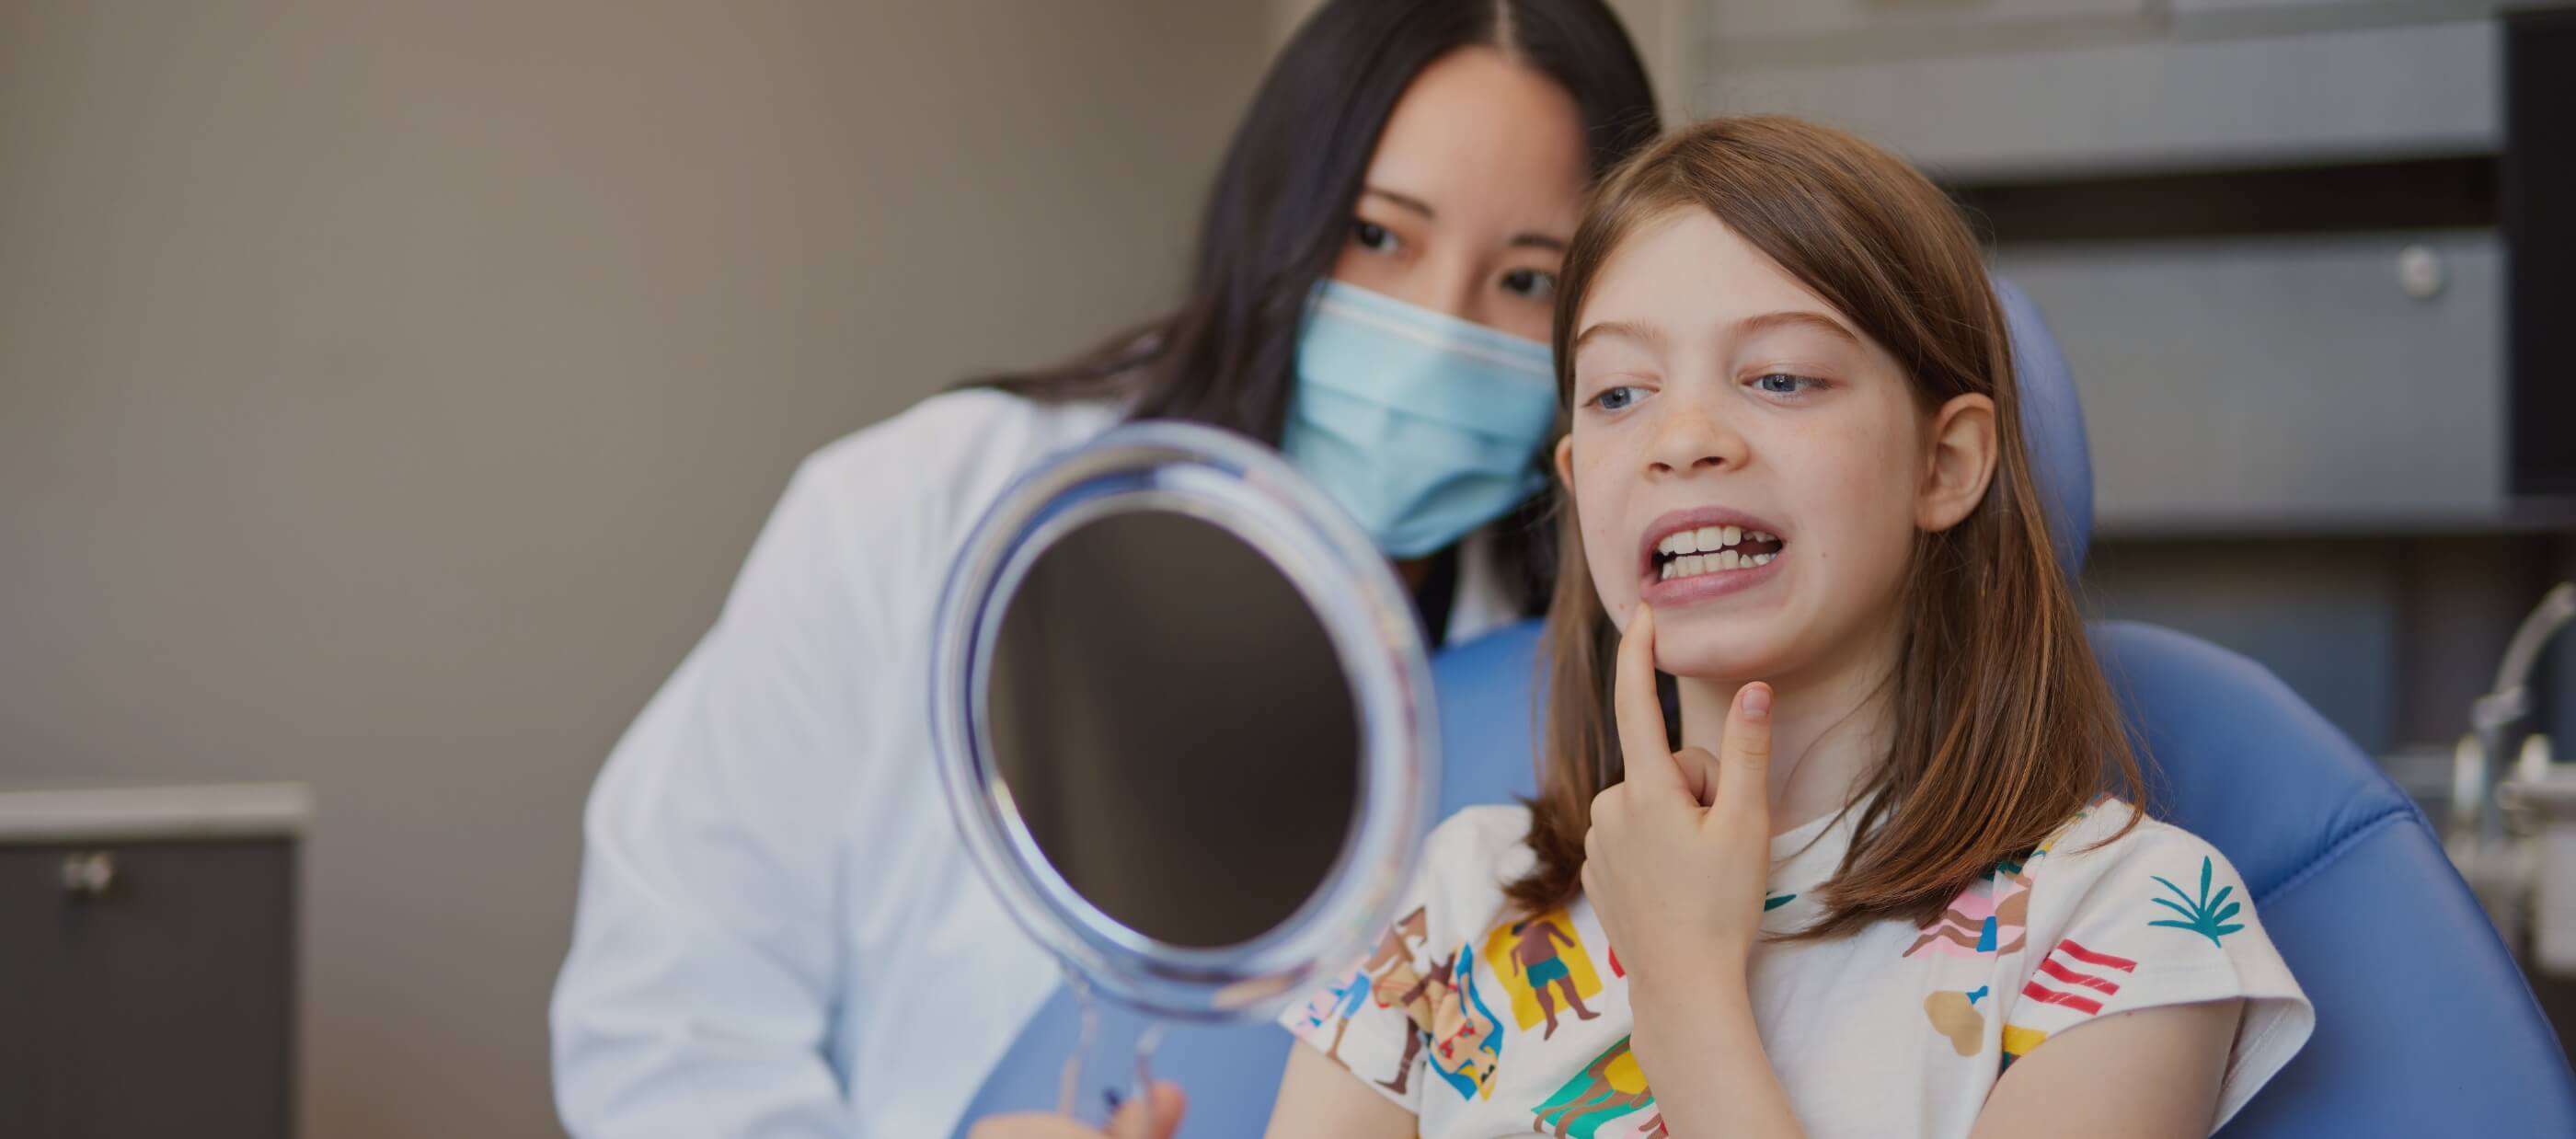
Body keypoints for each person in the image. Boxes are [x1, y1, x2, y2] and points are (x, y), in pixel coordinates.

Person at [548, 2, 1660, 1134]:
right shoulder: (929, 508)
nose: (1434, 328)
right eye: (1378, 235)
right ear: (1275, 217)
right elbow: (662, 1027)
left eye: (1528, 280)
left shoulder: (1562, 685)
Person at [1256, 116, 2318, 1137]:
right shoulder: (1459, 898)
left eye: (1778, 377)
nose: (1682, 438)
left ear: (1944, 464)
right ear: (1580, 486)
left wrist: (1683, 991)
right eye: (1620, 392)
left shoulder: (2126, 920)